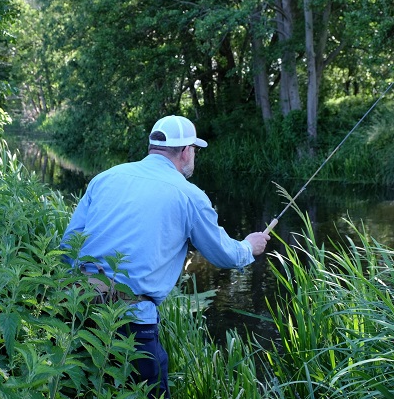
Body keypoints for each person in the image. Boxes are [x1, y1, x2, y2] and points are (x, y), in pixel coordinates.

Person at [61, 115, 269, 398]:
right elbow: (223, 254)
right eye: (194, 149)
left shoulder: (105, 179)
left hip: (80, 312)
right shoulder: (189, 195)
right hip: (132, 328)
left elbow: (68, 246)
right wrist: (249, 246)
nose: (194, 155)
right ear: (185, 151)